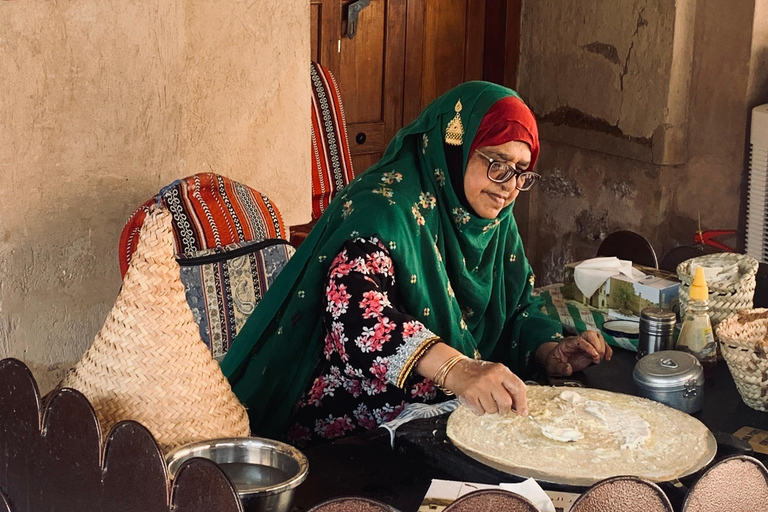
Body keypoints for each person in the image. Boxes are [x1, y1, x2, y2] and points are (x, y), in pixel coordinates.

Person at [221, 81, 612, 446]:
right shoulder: (387, 208)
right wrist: (458, 370)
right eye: (497, 162)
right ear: (454, 147)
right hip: (357, 440)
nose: (509, 186)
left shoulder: (494, 221)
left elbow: (515, 308)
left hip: (446, 425)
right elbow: (356, 316)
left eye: (521, 172)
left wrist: (548, 351)